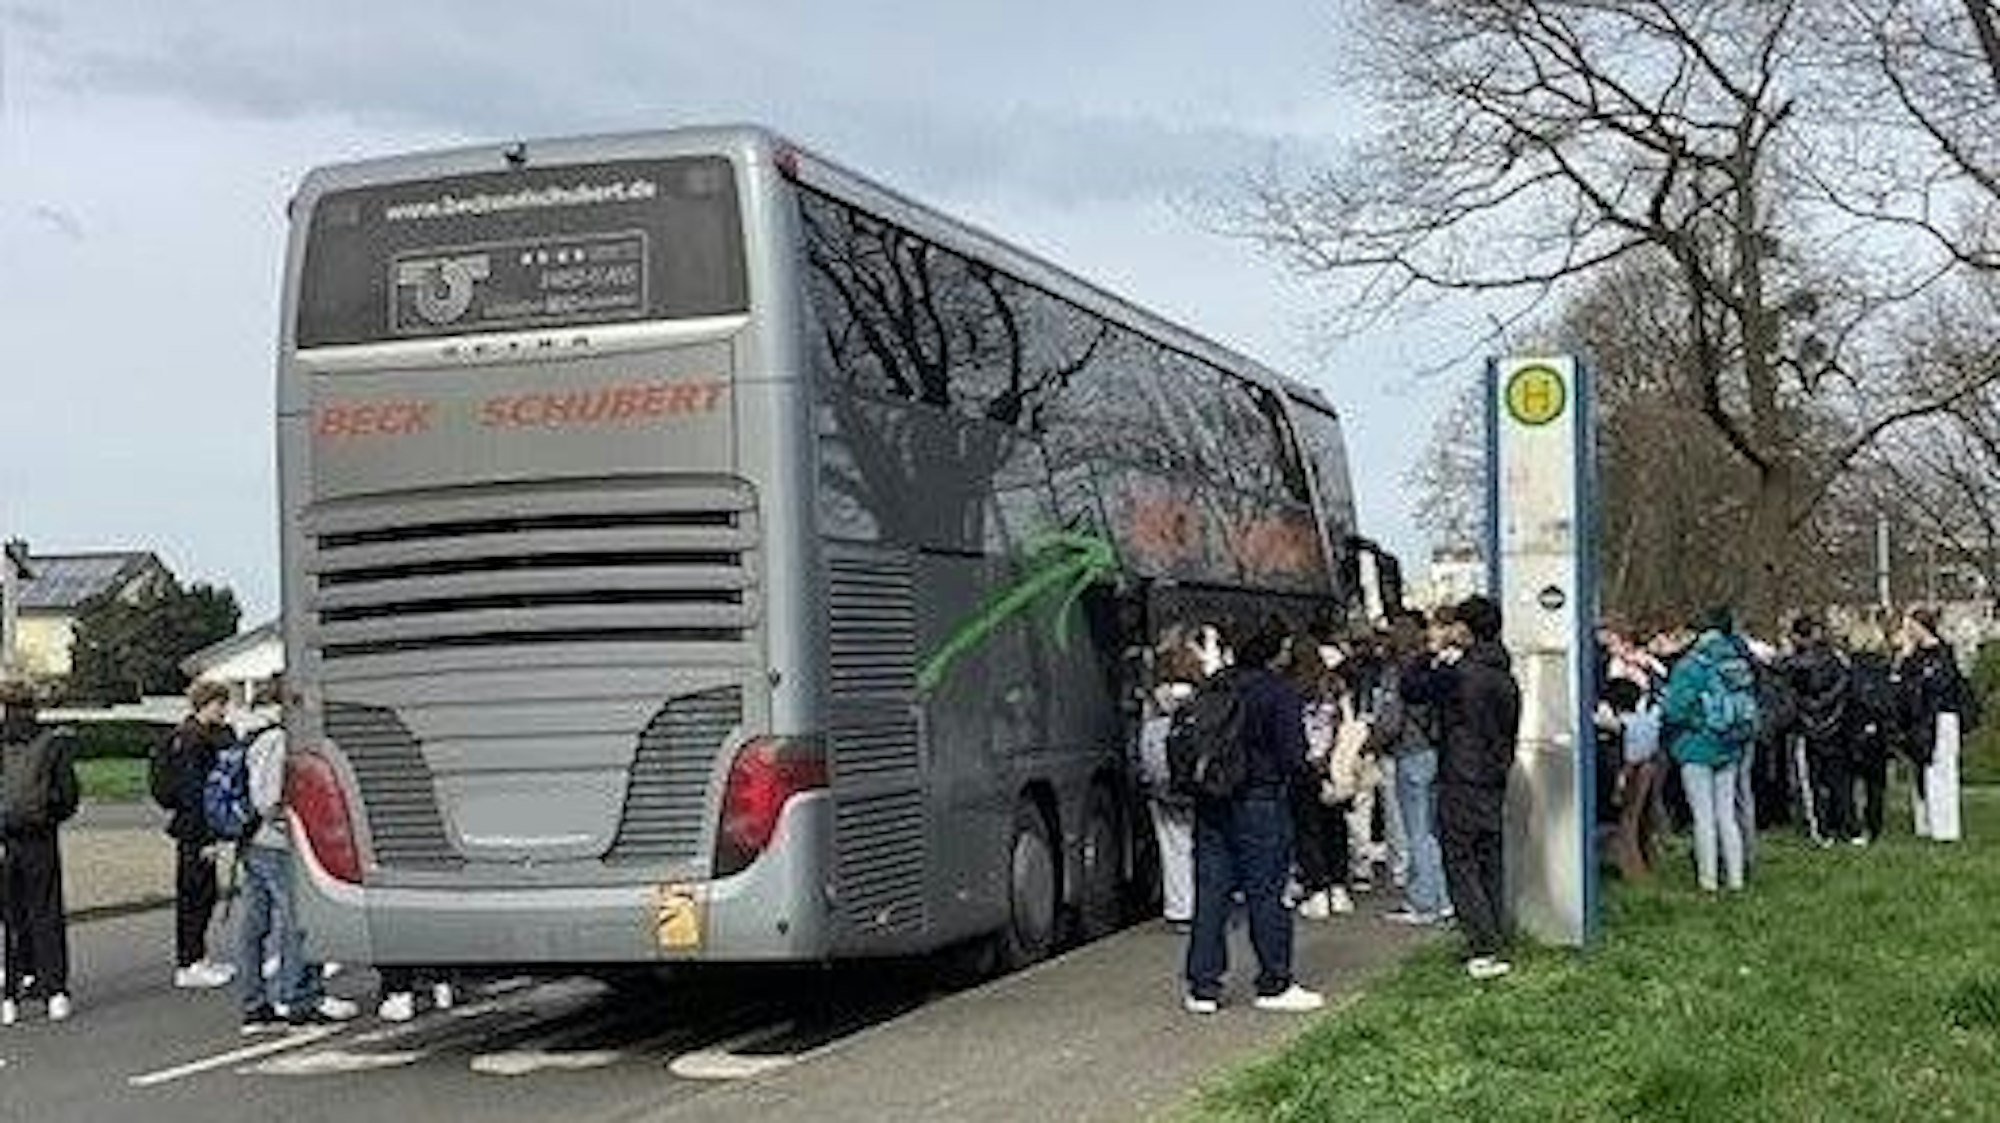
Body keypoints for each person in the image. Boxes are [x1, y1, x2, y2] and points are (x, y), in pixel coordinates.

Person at [1183, 621, 1325, 1015]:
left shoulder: (1215, 686)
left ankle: (1203, 986)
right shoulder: (1277, 692)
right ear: (1274, 651)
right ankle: (1274, 981)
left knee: (1211, 896)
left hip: (1212, 803)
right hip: (1260, 801)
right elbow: (1293, 755)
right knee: (1266, 893)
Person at [1404, 596, 1520, 980]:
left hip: (1460, 774)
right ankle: (1495, 935)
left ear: (1465, 629)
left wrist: (1429, 652)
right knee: (1490, 858)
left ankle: (1482, 945)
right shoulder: (1505, 674)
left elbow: (1411, 688)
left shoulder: (1459, 675)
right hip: (1494, 775)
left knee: (1460, 860)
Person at [235, 683, 359, 1033]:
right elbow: (271, 797)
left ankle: (254, 1003)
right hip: (279, 843)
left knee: (254, 926)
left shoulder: (250, 736)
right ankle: (298, 996)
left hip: (253, 841)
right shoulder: (279, 740)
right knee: (300, 921)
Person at [1663, 607, 1756, 894]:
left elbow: (1674, 710)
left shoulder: (1691, 665)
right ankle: (1736, 879)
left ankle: (1708, 882)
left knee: (1703, 817)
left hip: (1696, 745)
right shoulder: (1736, 660)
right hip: (1729, 744)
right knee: (1727, 815)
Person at [1, 681, 79, 1026]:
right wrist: (50, 817)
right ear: (35, 706)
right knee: (46, 912)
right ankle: (55, 991)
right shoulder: (52, 743)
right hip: (40, 839)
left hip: (4, 838)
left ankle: (9, 995)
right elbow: (68, 795)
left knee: (9, 918)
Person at [153, 680, 238, 989]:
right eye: (220, 703)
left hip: (190, 828)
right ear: (206, 704)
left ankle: (197, 958)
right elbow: (195, 794)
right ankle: (190, 962)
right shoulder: (194, 742)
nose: (224, 709)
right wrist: (207, 838)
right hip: (195, 831)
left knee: (202, 893)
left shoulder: (187, 736)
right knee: (195, 896)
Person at [1370, 612, 1447, 924]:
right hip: (1434, 750)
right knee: (1431, 831)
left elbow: (1390, 721)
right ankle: (1443, 898)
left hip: (1409, 752)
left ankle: (1423, 900)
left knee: (1415, 832)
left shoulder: (1397, 672)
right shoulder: (1432, 666)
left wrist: (1369, 745)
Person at [1137, 625, 1204, 930]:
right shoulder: (1199, 698)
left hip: (1162, 781)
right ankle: (1205, 901)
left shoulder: (1154, 701)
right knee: (1201, 843)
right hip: (1195, 781)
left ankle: (1180, 908)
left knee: (1172, 845)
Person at [1897, 608, 1978, 843]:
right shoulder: (1914, 656)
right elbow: (1903, 689)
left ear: (1920, 626)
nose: (1906, 630)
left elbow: (1938, 686)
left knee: (1942, 772)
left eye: (1909, 625)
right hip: (1919, 721)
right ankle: (1926, 823)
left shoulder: (1943, 654)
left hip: (1942, 719)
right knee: (1922, 772)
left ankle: (1946, 828)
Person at [1291, 635, 1355, 920]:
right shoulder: (1334, 686)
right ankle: (1339, 887)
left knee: (1308, 830)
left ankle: (1317, 890)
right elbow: (1345, 724)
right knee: (1335, 827)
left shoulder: (1292, 690)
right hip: (1333, 766)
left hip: (1304, 767)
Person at [1785, 615, 1854, 847]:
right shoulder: (1836, 660)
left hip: (1807, 728)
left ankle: (1821, 831)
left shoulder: (1794, 665)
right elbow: (1843, 688)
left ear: (1797, 636)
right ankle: (1847, 827)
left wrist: (1808, 710)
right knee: (1839, 781)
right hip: (1836, 726)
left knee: (1810, 784)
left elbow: (1791, 697)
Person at [1605, 677, 1665, 881]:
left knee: (1627, 823)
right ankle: (1646, 865)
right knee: (1641, 822)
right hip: (1649, 776)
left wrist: (1617, 788)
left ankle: (1633, 872)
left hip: (1631, 780)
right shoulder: (1650, 722)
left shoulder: (1625, 726)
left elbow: (1628, 763)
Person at [1847, 641, 1899, 845]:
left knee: (1853, 784)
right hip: (1880, 735)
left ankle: (1856, 826)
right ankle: (1874, 826)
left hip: (1857, 732)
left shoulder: (1853, 672)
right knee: (1876, 786)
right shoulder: (1884, 673)